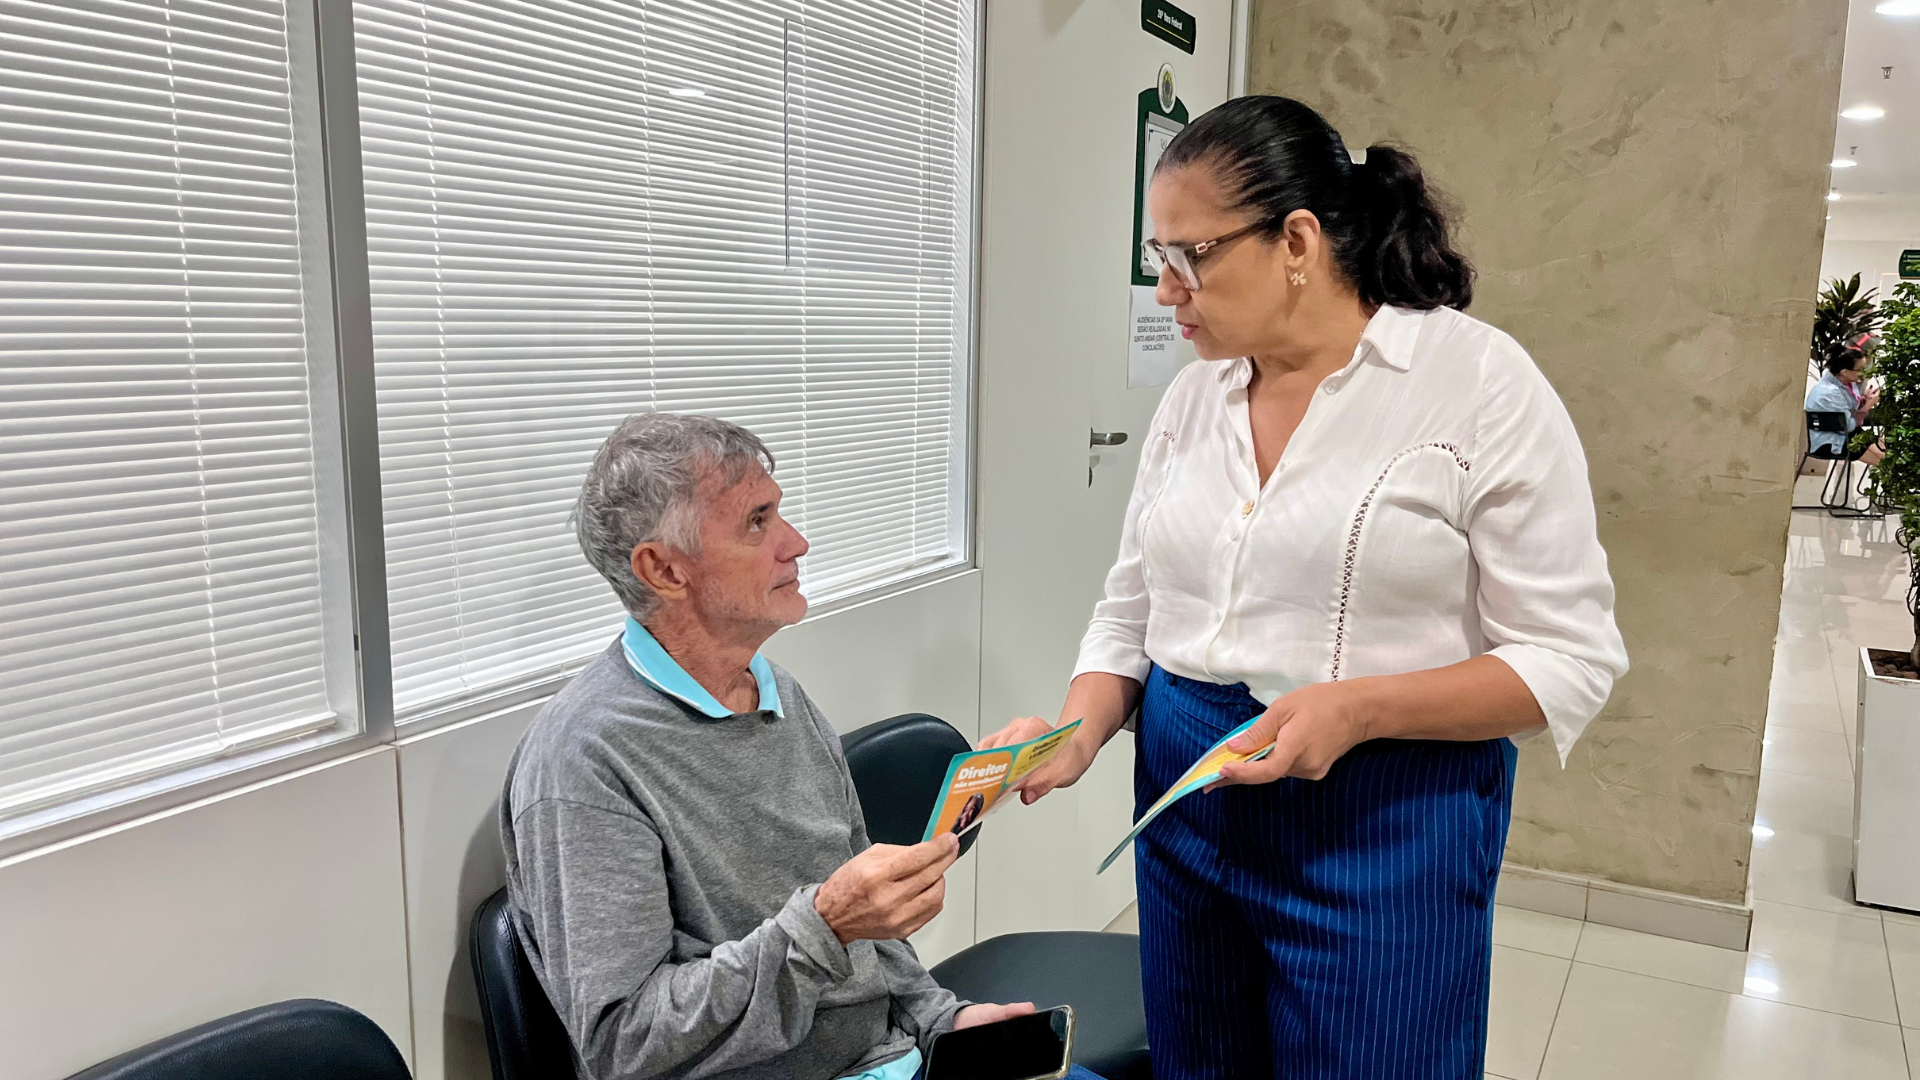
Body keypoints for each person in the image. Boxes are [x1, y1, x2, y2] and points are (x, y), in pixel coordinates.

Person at [983, 96, 1628, 1079]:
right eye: (1158, 257)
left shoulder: (1477, 384)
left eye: (1190, 256)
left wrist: (1358, 708)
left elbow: (1567, 660)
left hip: (1383, 813)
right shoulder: (1192, 398)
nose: (1166, 290)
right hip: (1187, 795)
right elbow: (1133, 609)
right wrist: (1076, 730)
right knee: (1201, 1061)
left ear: (1296, 239)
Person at [500, 413, 1099, 1080]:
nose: (798, 542)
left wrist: (939, 1022)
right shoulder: (583, 763)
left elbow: (862, 928)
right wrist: (823, 927)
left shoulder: (775, 691)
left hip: (891, 1059)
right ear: (664, 569)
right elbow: (624, 1044)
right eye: (757, 522)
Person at [1806, 343, 1884, 466]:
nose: (1863, 373)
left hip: (1847, 434)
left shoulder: (1846, 382)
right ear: (1844, 371)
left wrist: (1865, 400)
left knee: (1891, 451)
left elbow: (1850, 409)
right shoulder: (1828, 392)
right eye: (1859, 370)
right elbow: (1849, 426)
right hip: (1832, 441)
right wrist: (1867, 406)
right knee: (1889, 461)